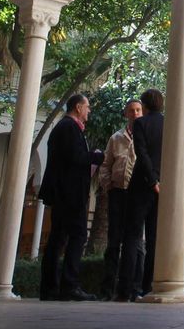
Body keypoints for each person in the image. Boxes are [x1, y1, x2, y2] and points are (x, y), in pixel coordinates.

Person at [39, 93, 102, 301]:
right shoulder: (69, 128)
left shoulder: (65, 127)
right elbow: (75, 160)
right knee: (76, 236)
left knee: (59, 238)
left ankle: (51, 288)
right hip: (69, 194)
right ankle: (69, 285)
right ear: (77, 107)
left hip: (64, 193)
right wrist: (96, 156)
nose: (89, 111)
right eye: (87, 106)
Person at [97, 97, 141, 301]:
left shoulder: (145, 137)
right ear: (126, 114)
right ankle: (107, 290)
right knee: (114, 242)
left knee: (136, 244)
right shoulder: (116, 138)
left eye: (138, 110)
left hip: (136, 195)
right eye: (131, 110)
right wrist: (108, 186)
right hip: (118, 193)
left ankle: (133, 288)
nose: (135, 114)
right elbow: (106, 164)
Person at [122, 87, 164, 298]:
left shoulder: (140, 123)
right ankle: (148, 287)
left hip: (142, 185)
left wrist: (151, 179)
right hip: (161, 188)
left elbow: (142, 153)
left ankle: (126, 289)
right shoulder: (168, 124)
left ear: (145, 106)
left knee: (132, 236)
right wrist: (159, 181)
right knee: (154, 238)